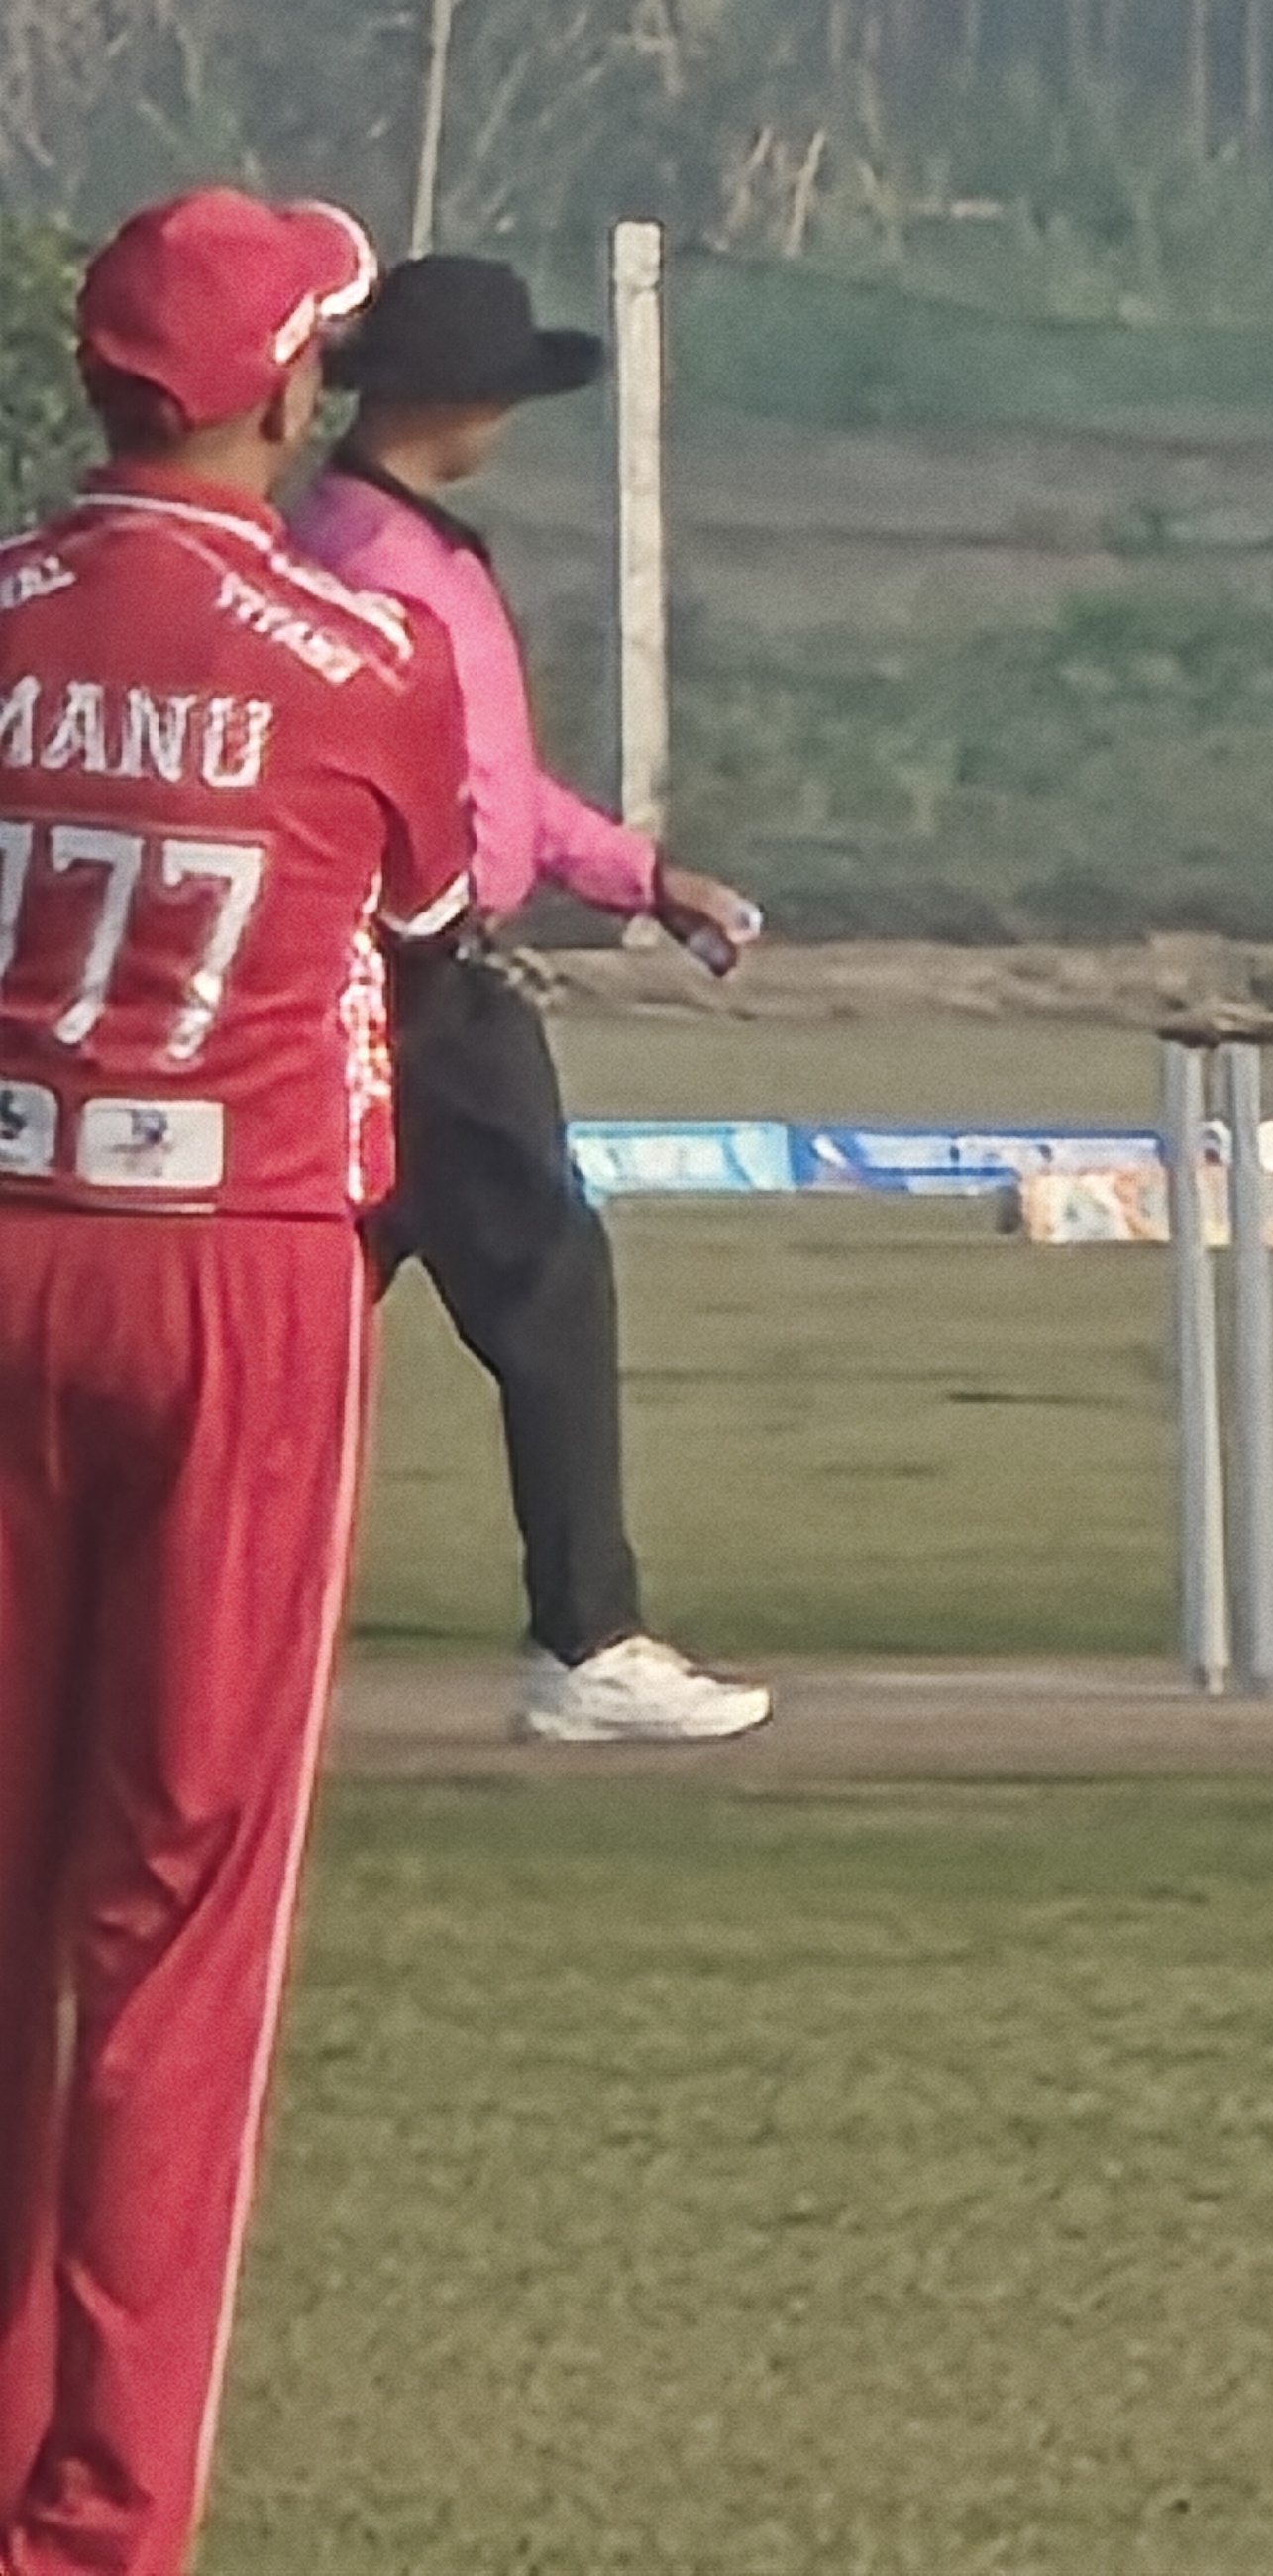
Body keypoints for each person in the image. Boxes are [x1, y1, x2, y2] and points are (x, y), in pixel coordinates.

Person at [0, 188, 474, 2572]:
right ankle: (101, 2523)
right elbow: (425, 919)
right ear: (285, 390)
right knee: (176, 1922)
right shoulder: (363, 650)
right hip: (236, 1268)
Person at [285, 255, 773, 1744]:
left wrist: (642, 877)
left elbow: (499, 787)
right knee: (547, 1288)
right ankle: (586, 1638)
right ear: (452, 397)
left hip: (401, 975)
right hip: (412, 982)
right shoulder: (377, 566)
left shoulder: (403, 548)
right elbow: (409, 796)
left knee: (301, 1316)